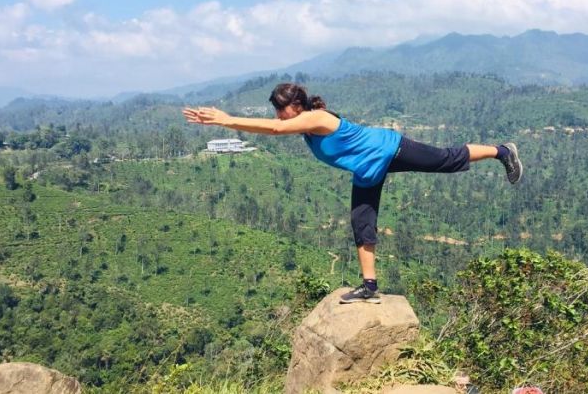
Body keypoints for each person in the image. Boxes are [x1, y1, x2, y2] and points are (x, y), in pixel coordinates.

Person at [182, 83, 522, 304]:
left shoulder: (316, 118)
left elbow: (275, 129)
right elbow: (277, 124)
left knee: (446, 159)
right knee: (361, 223)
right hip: (367, 171)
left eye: (279, 108)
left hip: (389, 149)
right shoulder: (307, 123)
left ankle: (501, 151)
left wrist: (225, 120)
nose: (277, 115)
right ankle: (369, 285)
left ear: (295, 107)